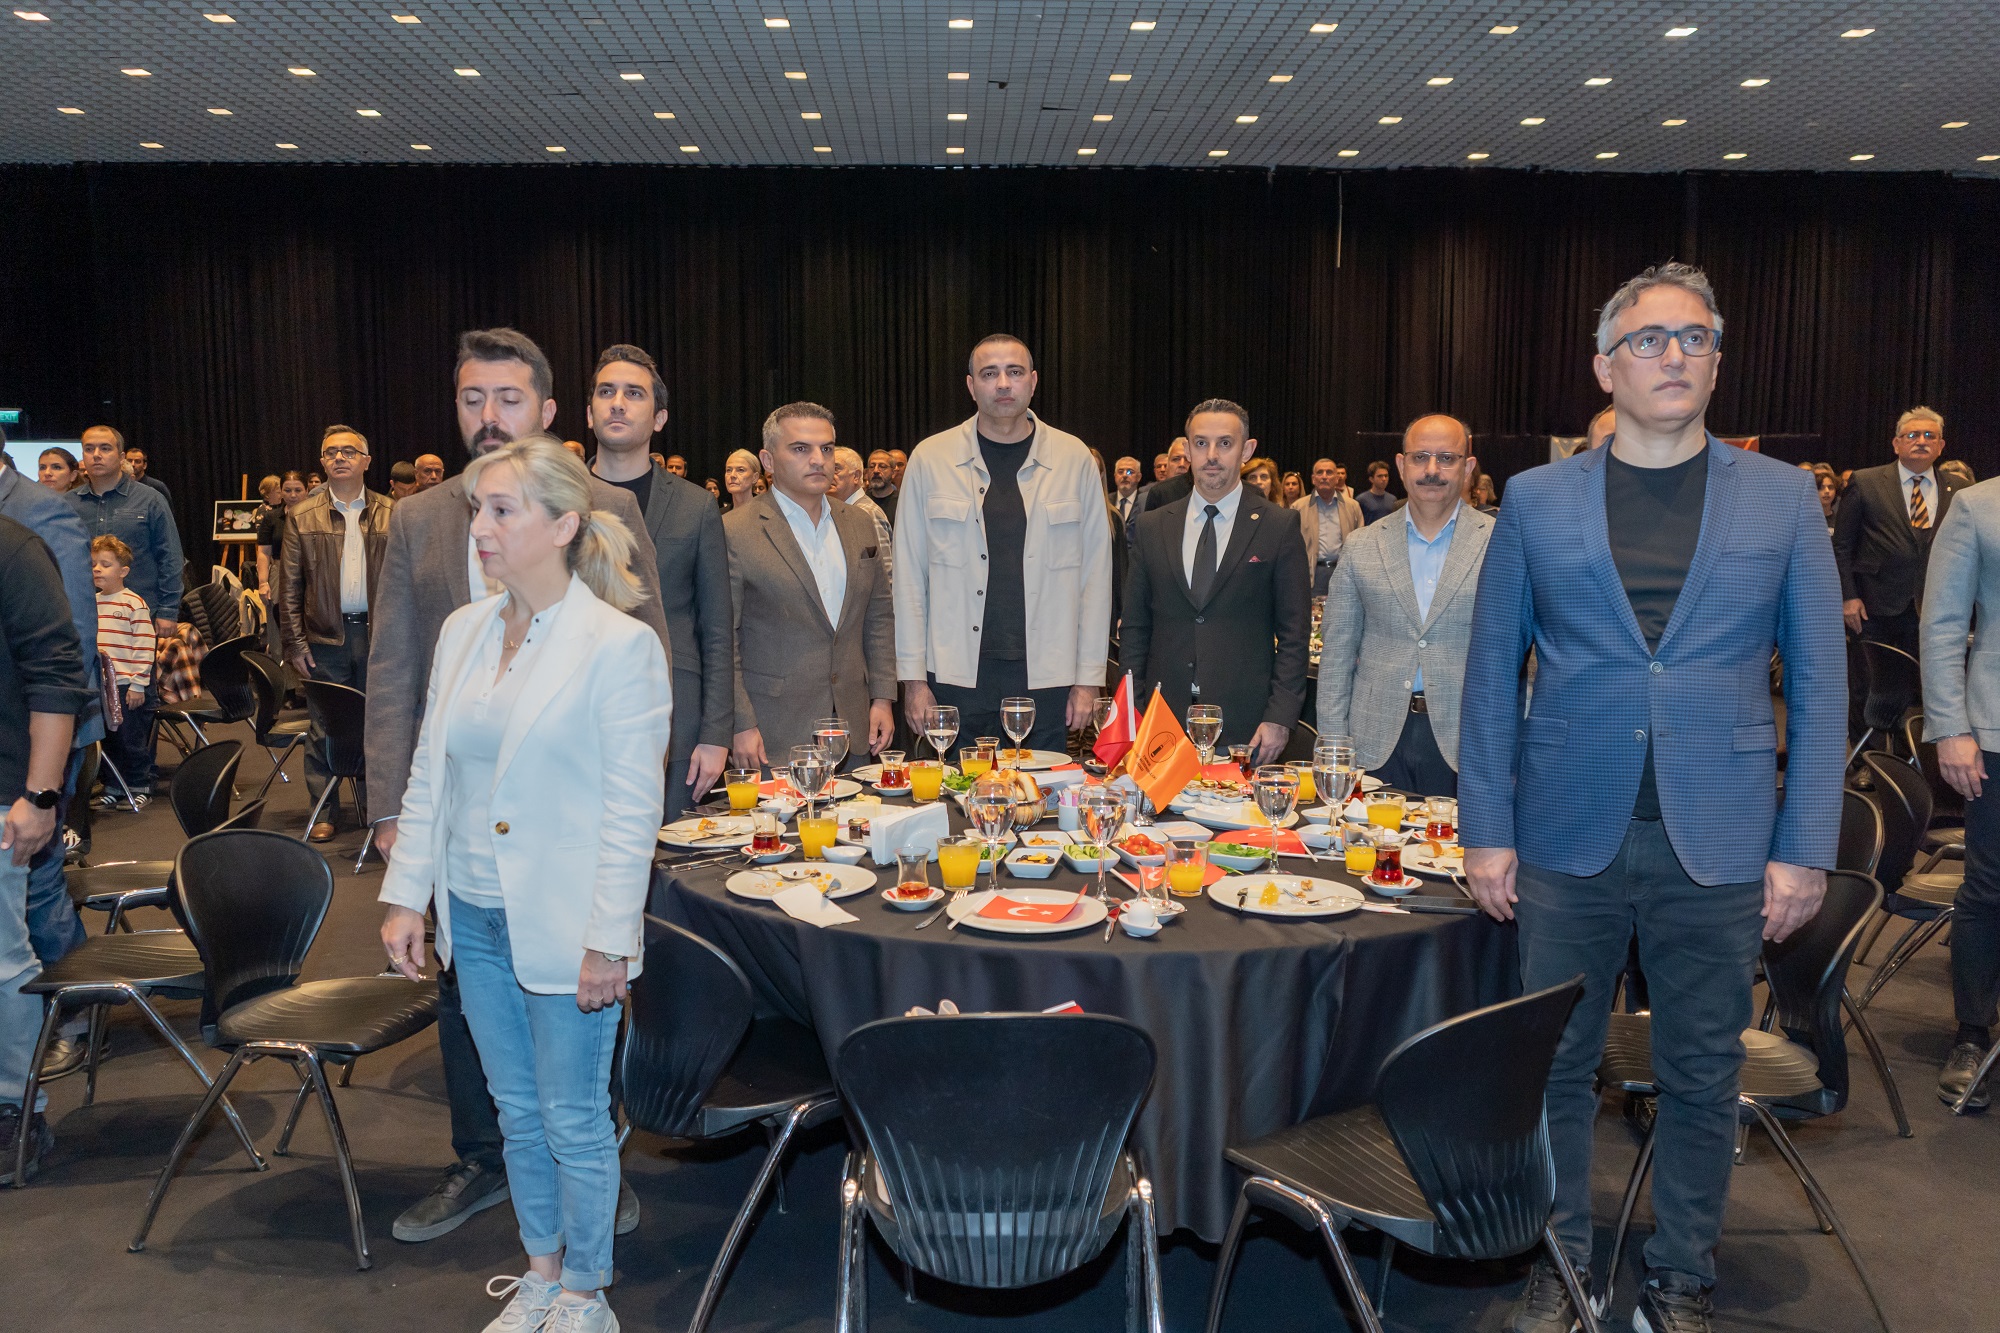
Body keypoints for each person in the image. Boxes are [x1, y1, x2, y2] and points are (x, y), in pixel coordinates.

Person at [1459, 263, 1843, 1333]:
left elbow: (1820, 683)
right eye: (1647, 339)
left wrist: (1804, 843)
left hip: (1720, 836)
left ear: (1717, 360)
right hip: (1561, 830)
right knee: (1553, 1067)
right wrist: (1485, 828)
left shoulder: (1781, 498)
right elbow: (1488, 678)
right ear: (1604, 367)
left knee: (1701, 1072)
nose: (1672, 355)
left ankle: (1680, 1279)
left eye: (1693, 337)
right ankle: (1560, 1266)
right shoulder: (1535, 500)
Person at [366, 327, 669, 1249]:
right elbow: (427, 758)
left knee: (573, 1115)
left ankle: (584, 1283)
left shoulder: (617, 639)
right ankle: (536, 1260)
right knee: (514, 1107)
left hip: (563, 907)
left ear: (564, 524)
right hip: (472, 903)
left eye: (499, 512)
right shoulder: (461, 622)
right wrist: (405, 885)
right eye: (476, 512)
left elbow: (631, 805)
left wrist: (611, 936)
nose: (479, 528)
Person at [894, 335, 1112, 752]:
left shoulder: (1074, 459)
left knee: (1043, 788)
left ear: (1033, 381)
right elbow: (908, 578)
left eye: (1014, 372)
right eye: (989, 373)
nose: (1003, 384)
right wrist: (914, 681)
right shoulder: (930, 458)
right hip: (954, 674)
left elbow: (1096, 578)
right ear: (971, 386)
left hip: (1048, 674)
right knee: (959, 789)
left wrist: (1089, 679)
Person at [585, 343, 736, 821]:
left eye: (634, 393)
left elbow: (717, 628)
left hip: (677, 713)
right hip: (577, 708)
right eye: (606, 392)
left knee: (670, 851)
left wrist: (715, 735)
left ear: (659, 418)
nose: (617, 403)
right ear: (588, 414)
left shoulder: (696, 505)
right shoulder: (555, 499)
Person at [1122, 399, 1308, 765]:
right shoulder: (1152, 526)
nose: (1212, 455)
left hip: (1246, 727)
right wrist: (1132, 709)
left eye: (1225, 443)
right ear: (1187, 449)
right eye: (1201, 443)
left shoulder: (1278, 526)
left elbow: (1294, 635)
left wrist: (1280, 717)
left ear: (1246, 450)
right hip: (1161, 724)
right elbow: (1134, 627)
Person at [1317, 416, 1492, 796]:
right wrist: (1332, 749)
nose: (1432, 470)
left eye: (1447, 458)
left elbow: (1525, 664)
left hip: (1468, 743)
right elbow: (1336, 658)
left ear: (1468, 468)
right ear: (1401, 465)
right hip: (1373, 741)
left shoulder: (1501, 542)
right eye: (1420, 457)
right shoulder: (1362, 545)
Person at [0, 445, 100, 1081]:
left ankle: (74, 1014)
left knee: (35, 898)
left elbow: (70, 647)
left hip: (31, 748)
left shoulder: (36, 517)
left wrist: (44, 780)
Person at [725, 404, 895, 765]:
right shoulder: (734, 531)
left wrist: (882, 697)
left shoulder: (859, 523)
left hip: (855, 726)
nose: (818, 460)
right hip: (773, 732)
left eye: (827, 448)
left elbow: (879, 616)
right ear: (768, 461)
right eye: (801, 448)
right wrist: (740, 723)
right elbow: (723, 638)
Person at [0, 513, 88, 1186]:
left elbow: (57, 676)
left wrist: (40, 794)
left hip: (5, 793)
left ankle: (14, 1110)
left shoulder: (15, 549)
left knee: (2, 964)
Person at [1919, 474, 2000, 1109]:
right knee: (1989, 888)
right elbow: (1943, 624)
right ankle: (1972, 1033)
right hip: (1994, 733)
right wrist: (1951, 728)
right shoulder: (1978, 506)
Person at [280, 425, 393, 842]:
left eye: (349, 451)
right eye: (331, 452)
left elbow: (407, 583)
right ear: (322, 462)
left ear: (367, 461)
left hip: (381, 638)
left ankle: (378, 808)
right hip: (324, 640)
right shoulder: (301, 515)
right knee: (323, 726)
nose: (339, 457)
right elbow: (289, 586)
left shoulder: (394, 512)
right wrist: (295, 643)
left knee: (380, 725)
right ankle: (324, 809)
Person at [67, 425, 180, 795]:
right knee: (92, 701)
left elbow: (170, 556)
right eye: (89, 448)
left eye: (105, 448)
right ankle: (102, 779)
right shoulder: (69, 504)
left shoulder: (149, 499)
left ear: (120, 454)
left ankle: (139, 779)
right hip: (85, 619)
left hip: (137, 617)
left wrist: (168, 609)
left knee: (136, 700)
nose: (96, 455)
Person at [1834, 406, 1959, 655]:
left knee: (1925, 679)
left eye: (1929, 436)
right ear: (1896, 444)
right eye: (1912, 435)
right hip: (1875, 608)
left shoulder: (1959, 489)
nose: (1921, 441)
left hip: (1938, 607)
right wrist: (1848, 597)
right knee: (1877, 679)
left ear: (1941, 446)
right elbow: (1842, 546)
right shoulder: (1866, 482)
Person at [92, 535, 157, 803]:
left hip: (127, 686)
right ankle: (115, 788)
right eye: (94, 564)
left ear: (123, 571)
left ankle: (140, 786)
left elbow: (145, 645)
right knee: (109, 739)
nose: (97, 569)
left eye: (105, 565)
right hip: (102, 685)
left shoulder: (133, 603)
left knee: (131, 740)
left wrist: (138, 684)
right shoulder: (92, 602)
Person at [1293, 457, 1363, 596]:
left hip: (1344, 573)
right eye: (1320, 472)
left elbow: (1361, 544)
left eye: (1329, 472)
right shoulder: (1298, 508)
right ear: (1313, 479)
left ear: (1337, 478)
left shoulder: (1353, 507)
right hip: (1313, 575)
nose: (1324, 476)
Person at [831, 445, 894, 579]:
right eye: (826, 468)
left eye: (836, 469)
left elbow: (884, 573)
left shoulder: (867, 513)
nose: (828, 474)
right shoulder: (836, 510)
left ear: (856, 476)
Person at [255, 471, 308, 599]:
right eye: (287, 490)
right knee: (278, 609)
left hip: (310, 573)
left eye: (298, 490)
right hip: (279, 572)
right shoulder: (271, 517)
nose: (293, 495)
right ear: (281, 492)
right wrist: (263, 583)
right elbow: (264, 553)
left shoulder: (317, 517)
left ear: (306, 491)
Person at [1112, 455, 1149, 537]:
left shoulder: (1145, 502)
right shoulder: (1106, 501)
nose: (1125, 475)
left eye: (1130, 472)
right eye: (1120, 472)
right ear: (1115, 476)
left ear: (1139, 477)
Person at [1356, 459, 1399, 524]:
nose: (1384, 479)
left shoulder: (1393, 499)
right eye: (1380, 476)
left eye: (1386, 476)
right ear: (1371, 479)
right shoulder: (1362, 499)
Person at [864, 448, 899, 524]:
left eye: (882, 466)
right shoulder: (861, 501)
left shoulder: (901, 502)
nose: (876, 471)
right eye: (872, 466)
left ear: (893, 473)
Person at [1810, 462, 1839, 534]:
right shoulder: (1805, 520)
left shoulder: (1840, 520)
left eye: (1830, 487)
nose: (1827, 491)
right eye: (1821, 488)